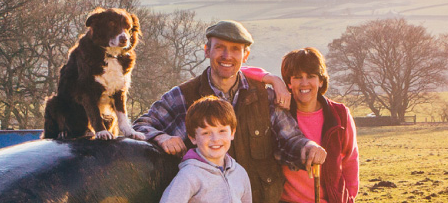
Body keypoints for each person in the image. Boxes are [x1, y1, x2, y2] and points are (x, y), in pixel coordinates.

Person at [134, 20, 326, 203]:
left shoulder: (264, 96)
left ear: (246, 55)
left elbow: (290, 138)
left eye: (235, 49)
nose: (227, 55)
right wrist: (162, 138)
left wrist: (308, 148)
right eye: (219, 47)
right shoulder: (182, 96)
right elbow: (140, 126)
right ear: (207, 51)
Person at [242, 47, 359, 203]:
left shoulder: (339, 114)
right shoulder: (280, 110)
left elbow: (350, 160)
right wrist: (273, 79)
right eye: (297, 77)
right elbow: (238, 70)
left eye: (311, 76)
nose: (304, 83)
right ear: (289, 83)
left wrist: (349, 196)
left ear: (321, 80)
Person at [160, 96, 252, 203]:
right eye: (206, 133)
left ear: (232, 133)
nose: (215, 139)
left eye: (222, 131)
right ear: (193, 138)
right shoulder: (188, 176)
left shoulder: (240, 173)